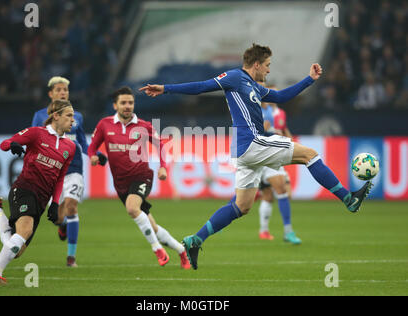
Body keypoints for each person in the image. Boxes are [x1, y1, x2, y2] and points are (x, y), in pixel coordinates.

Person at [140, 43, 373, 270]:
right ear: (257, 64)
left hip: (247, 152)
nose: (269, 70)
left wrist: (309, 80)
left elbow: (281, 97)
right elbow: (202, 86)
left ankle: (195, 240)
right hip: (252, 144)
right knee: (309, 155)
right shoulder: (234, 77)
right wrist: (166, 88)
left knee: (242, 206)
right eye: (268, 65)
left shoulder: (254, 86)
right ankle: (348, 199)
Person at [0, 99, 76, 285]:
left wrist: (54, 203)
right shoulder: (37, 133)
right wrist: (12, 145)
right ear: (56, 116)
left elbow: (60, 178)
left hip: (43, 199)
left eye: (73, 117)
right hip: (25, 188)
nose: (72, 120)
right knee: (24, 231)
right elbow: (5, 143)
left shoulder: (70, 147)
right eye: (69, 116)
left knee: (16, 250)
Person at [87, 86, 190, 269]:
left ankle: (157, 249)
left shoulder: (144, 126)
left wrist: (163, 167)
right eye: (123, 103)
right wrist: (93, 156)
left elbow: (161, 146)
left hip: (141, 176)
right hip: (120, 183)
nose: (128, 106)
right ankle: (181, 250)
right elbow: (91, 146)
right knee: (153, 227)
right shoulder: (105, 125)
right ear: (115, 105)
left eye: (131, 102)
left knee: (132, 208)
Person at [32, 76, 107, 267]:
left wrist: (96, 153)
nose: (62, 93)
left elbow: (82, 141)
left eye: (65, 89)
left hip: (74, 170)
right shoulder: (40, 116)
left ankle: (71, 257)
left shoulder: (77, 116)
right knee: (57, 217)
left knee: (72, 207)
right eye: (58, 90)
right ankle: (62, 226)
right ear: (50, 94)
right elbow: (33, 140)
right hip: (51, 172)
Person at [257, 83, 300, 244]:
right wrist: (266, 131)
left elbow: (281, 129)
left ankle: (277, 231)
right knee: (244, 203)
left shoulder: (274, 112)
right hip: (260, 155)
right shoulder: (254, 109)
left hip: (272, 154)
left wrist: (288, 138)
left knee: (274, 193)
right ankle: (283, 231)